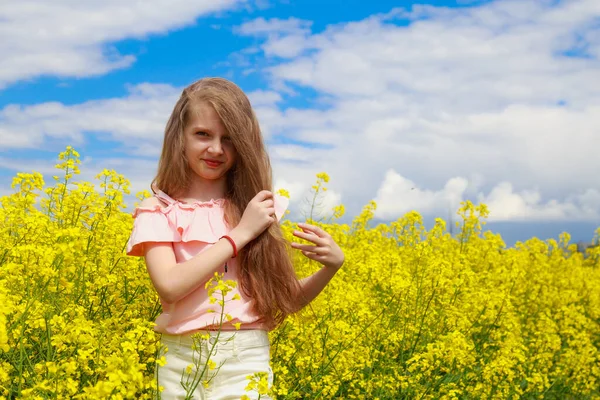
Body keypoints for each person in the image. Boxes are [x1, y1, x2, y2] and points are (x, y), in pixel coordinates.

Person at [125, 77, 345, 399]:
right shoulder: (158, 211)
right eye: (203, 134)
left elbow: (284, 300)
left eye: (228, 139)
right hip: (179, 357)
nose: (216, 149)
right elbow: (170, 286)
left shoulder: (257, 210)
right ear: (180, 138)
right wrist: (240, 234)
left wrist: (331, 267)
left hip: (246, 357)